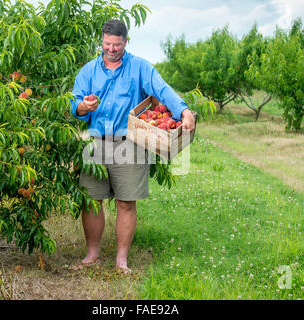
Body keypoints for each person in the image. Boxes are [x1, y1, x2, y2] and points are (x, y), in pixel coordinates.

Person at [70, 19, 195, 274]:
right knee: (92, 201)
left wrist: (184, 111)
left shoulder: (140, 68)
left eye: (117, 44)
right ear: (101, 41)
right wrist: (84, 106)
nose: (112, 49)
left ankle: (121, 260)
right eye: (107, 44)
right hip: (95, 143)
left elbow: (163, 90)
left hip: (130, 142)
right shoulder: (88, 71)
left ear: (126, 42)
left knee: (126, 202)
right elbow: (74, 103)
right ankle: (92, 254)